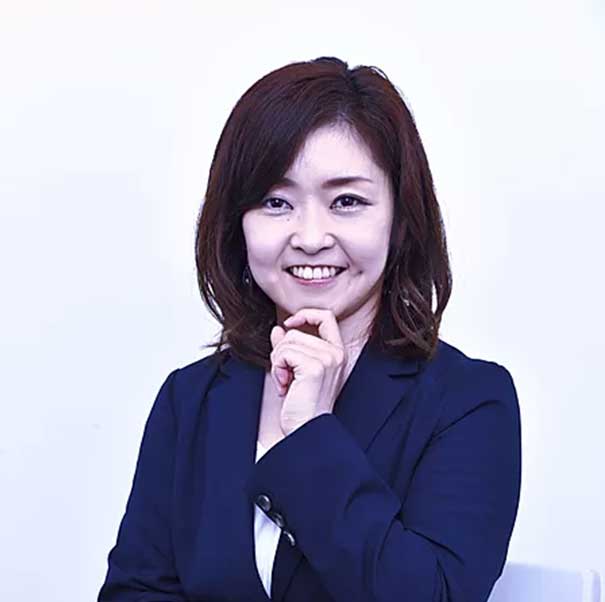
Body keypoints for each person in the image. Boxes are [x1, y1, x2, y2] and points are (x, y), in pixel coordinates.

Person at [98, 56, 522, 602]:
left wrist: (311, 434)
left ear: (400, 220)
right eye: (276, 202)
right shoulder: (192, 400)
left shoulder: (467, 401)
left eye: (347, 201)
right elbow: (136, 591)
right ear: (237, 224)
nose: (311, 236)